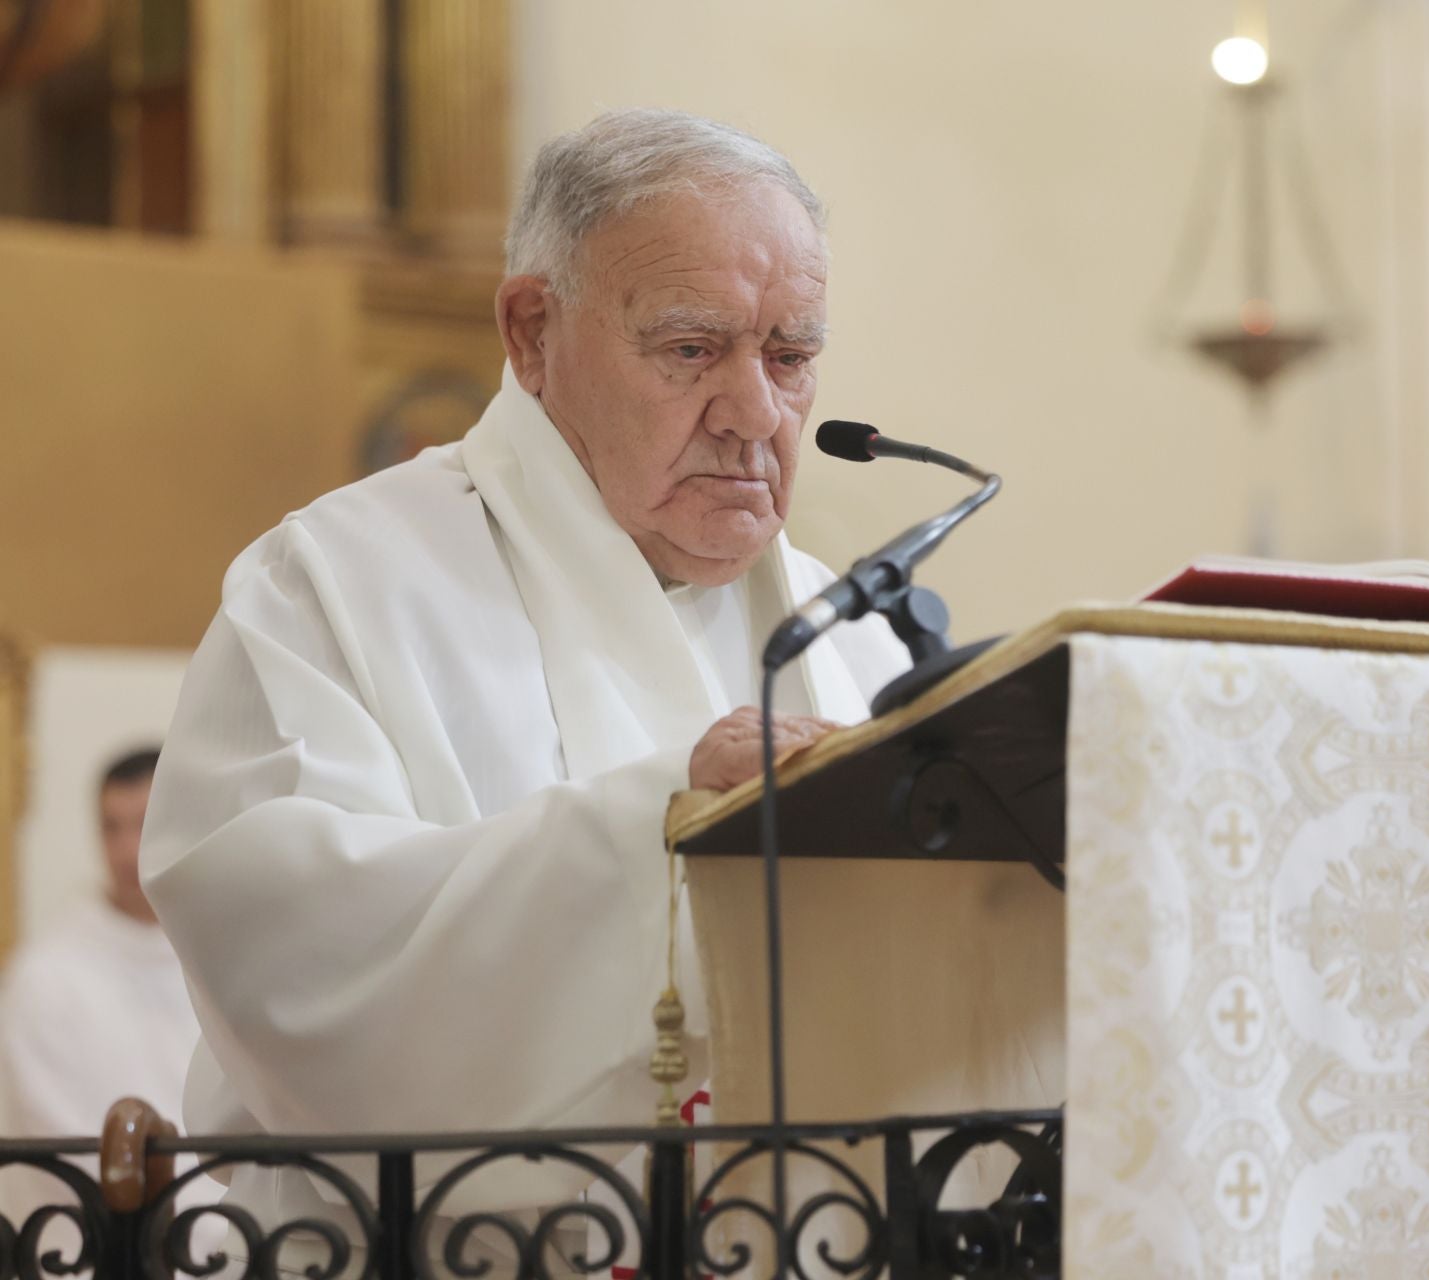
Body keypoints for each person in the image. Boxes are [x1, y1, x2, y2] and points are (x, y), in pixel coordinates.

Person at [137, 109, 910, 1238]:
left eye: (791, 358)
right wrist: (670, 814)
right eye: (692, 349)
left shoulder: (851, 635)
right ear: (533, 331)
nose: (757, 413)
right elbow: (298, 967)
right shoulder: (336, 585)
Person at [0, 747, 199, 1136]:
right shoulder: (47, 976)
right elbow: (53, 1135)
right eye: (111, 827)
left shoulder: (227, 956)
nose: (126, 852)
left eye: (144, 824)